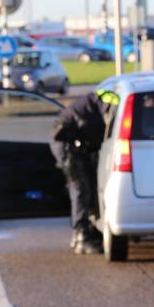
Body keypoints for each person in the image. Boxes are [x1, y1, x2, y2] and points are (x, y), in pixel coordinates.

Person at [50, 90, 116, 254]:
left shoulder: (93, 101)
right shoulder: (99, 107)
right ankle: (82, 237)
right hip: (66, 145)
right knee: (80, 188)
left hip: (66, 141)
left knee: (83, 187)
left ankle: (82, 232)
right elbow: (100, 130)